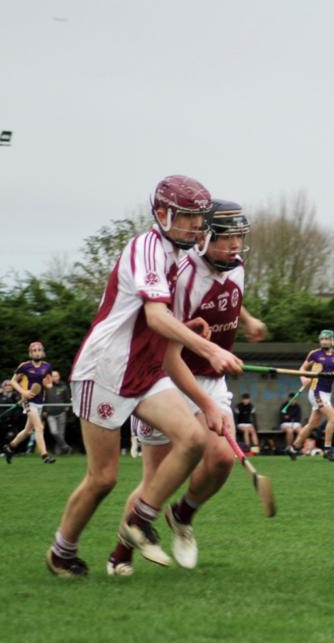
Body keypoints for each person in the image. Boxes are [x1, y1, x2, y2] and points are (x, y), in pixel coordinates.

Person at [46, 175, 243, 578]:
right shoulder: (147, 249)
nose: (196, 226)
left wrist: (189, 327)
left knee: (191, 439)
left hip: (147, 370)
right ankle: (61, 553)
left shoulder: (176, 254)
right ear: (162, 214)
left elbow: (160, 320)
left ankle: (140, 520)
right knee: (103, 478)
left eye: (199, 219)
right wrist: (208, 348)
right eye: (187, 217)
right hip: (106, 370)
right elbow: (154, 316)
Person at [107, 199, 266, 576]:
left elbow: (227, 289)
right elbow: (167, 355)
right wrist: (204, 405)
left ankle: (182, 515)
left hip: (211, 377)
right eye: (227, 239)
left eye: (240, 238)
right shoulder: (183, 277)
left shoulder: (236, 266)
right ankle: (119, 554)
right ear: (205, 237)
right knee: (156, 479)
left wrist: (246, 318)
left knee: (223, 458)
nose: (235, 247)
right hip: (167, 378)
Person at [289, 330, 334, 462]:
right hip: (316, 391)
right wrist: (303, 379)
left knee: (312, 424)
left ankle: (293, 448)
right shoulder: (314, 354)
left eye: (327, 339)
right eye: (322, 339)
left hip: (327, 393)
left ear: (332, 341)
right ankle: (327, 450)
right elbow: (302, 369)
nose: (324, 341)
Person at [3, 341, 55, 464]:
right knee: (39, 427)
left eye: (39, 350)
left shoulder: (47, 366)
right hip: (28, 401)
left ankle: (9, 447)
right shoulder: (25, 366)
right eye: (34, 351)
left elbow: (50, 384)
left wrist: (47, 386)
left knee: (28, 431)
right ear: (30, 353)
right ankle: (45, 456)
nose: (37, 353)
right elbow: (13, 381)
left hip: (39, 401)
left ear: (43, 352)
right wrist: (24, 392)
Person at [43, 370, 73, 455]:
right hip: (50, 414)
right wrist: (44, 410)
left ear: (59, 377)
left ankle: (59, 452)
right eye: (52, 376)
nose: (54, 377)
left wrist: (66, 408)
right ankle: (66, 447)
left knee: (61, 434)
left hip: (61, 413)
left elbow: (67, 399)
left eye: (56, 376)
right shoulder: (46, 387)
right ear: (50, 377)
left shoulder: (63, 387)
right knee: (54, 432)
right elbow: (44, 400)